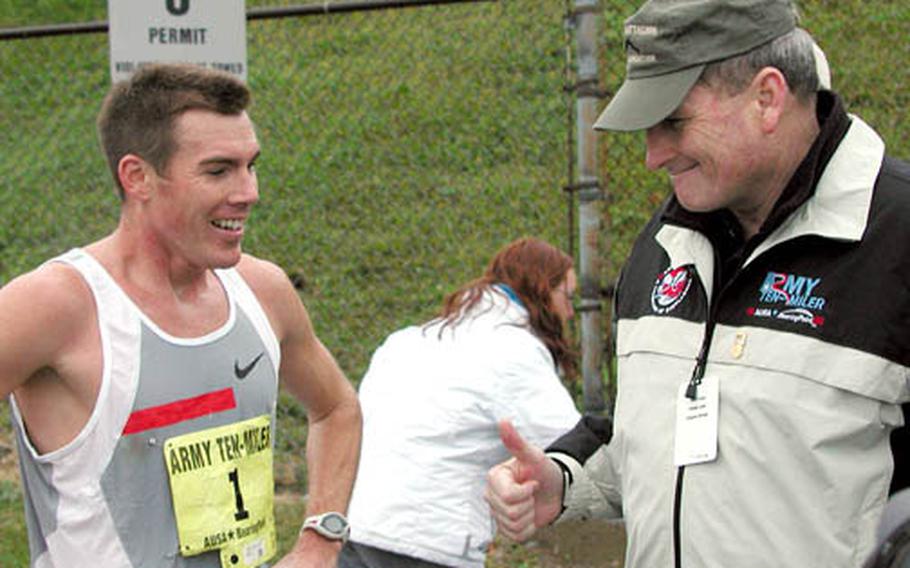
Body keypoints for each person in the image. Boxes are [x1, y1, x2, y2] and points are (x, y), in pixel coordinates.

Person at [485, 1, 910, 567]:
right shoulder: (665, 242)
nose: (652, 156)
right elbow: (656, 433)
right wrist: (564, 483)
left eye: (673, 122)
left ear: (767, 97)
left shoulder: (896, 238)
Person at [0, 63, 362, 567]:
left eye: (250, 165)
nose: (249, 192)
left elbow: (337, 410)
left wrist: (320, 541)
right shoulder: (59, 305)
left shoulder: (263, 291)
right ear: (138, 177)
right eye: (218, 170)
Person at [337, 237, 582, 568]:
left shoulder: (408, 340)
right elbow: (571, 449)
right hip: (428, 544)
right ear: (542, 290)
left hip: (356, 529)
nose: (569, 312)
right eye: (566, 297)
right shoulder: (511, 348)